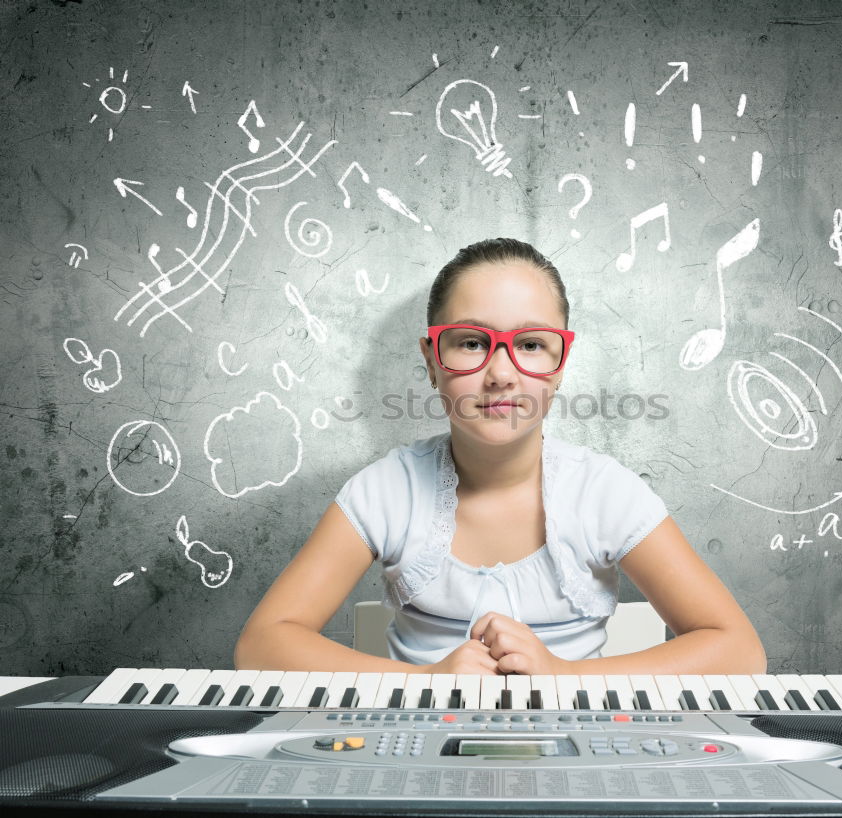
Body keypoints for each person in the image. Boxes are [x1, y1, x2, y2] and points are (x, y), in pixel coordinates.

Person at [234, 238, 767, 677]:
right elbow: (261, 646)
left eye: (531, 345)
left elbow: (739, 651)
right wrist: (426, 679)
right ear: (431, 360)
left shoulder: (604, 493)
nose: (501, 374)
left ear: (561, 364)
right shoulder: (385, 491)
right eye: (470, 342)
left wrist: (563, 674)